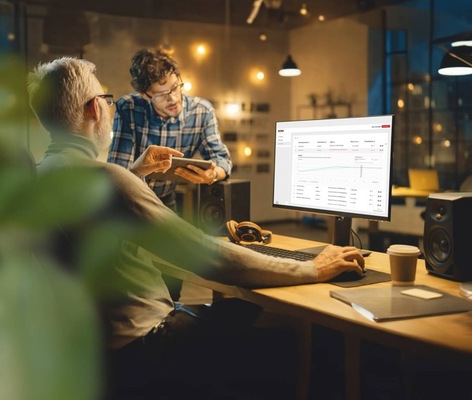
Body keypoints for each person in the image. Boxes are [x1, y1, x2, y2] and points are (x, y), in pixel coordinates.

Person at [27, 57, 365, 399]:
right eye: (106, 100)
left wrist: (134, 175)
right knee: (290, 337)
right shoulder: (107, 180)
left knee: (240, 309)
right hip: (145, 349)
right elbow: (208, 257)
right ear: (93, 109)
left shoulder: (40, 177)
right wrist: (312, 268)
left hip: (90, 355)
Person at [108, 48, 231, 211]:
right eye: (161, 95)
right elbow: (118, 174)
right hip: (130, 199)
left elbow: (222, 159)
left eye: (174, 88)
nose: (172, 99)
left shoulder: (201, 111)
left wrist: (212, 175)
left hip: (166, 201)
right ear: (144, 95)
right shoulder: (128, 108)